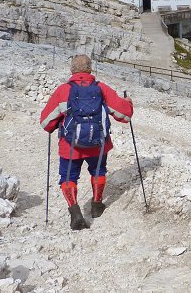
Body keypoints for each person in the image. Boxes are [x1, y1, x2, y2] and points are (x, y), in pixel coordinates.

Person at [40, 55, 133, 230]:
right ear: (90, 70)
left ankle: (75, 213)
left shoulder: (63, 91)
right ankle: (97, 206)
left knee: (68, 177)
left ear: (71, 70)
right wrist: (128, 103)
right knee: (98, 171)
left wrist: (55, 125)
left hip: (70, 146)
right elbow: (125, 115)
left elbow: (46, 123)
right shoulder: (102, 89)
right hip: (98, 144)